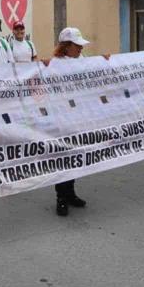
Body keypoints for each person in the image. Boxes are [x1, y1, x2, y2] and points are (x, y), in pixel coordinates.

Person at [50, 27, 90, 216]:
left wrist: (106, 61)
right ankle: (61, 198)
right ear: (66, 46)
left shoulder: (81, 60)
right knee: (63, 158)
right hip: (62, 117)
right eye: (77, 45)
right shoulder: (55, 65)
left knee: (75, 156)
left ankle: (71, 192)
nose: (80, 49)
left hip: (78, 116)